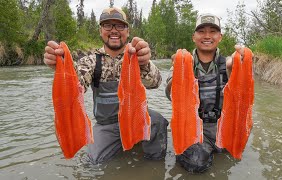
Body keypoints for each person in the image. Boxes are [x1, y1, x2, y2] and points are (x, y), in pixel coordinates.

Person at [44, 7, 168, 164]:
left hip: (136, 118)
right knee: (92, 162)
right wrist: (61, 65)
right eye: (108, 25)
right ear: (100, 30)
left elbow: (156, 83)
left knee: (158, 120)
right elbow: (77, 85)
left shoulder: (137, 56)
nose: (114, 30)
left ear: (127, 31)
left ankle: (153, 165)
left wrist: (144, 65)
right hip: (107, 125)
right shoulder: (90, 61)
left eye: (120, 26)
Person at [165, 13, 248, 173]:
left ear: (220, 36)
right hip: (194, 127)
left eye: (213, 31)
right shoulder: (181, 63)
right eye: (201, 31)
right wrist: (179, 75)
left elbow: (242, 100)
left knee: (233, 156)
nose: (207, 36)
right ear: (194, 37)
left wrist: (239, 68)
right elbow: (170, 95)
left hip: (221, 126)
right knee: (197, 163)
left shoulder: (229, 64)